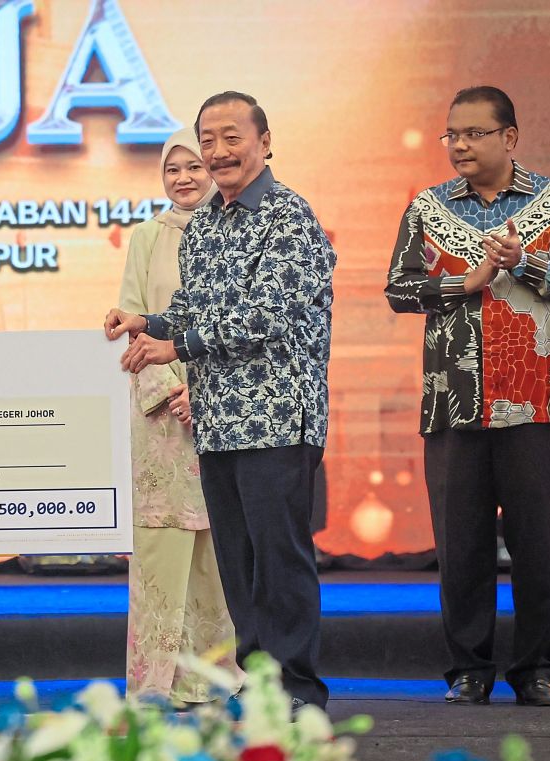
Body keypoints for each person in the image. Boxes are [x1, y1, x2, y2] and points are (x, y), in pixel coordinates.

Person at [105, 92, 335, 709]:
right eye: (208, 140)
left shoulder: (290, 218)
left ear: (264, 141)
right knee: (238, 567)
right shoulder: (206, 225)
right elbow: (192, 309)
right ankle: (258, 689)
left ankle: (298, 694)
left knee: (279, 564)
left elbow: (266, 318)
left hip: (277, 420)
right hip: (218, 422)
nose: (216, 152)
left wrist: (174, 340)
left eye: (230, 137)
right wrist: (147, 321)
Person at [385, 86, 550, 707]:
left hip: (539, 398)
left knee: (538, 540)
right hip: (453, 399)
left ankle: (536, 669)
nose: (459, 145)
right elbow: (399, 289)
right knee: (461, 543)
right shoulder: (427, 207)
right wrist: (465, 279)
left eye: (474, 134)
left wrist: (527, 266)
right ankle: (468, 669)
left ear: (510, 137)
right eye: (451, 134)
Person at [119, 128, 235, 702]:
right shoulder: (146, 237)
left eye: (195, 166)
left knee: (217, 552)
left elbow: (242, 329)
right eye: (173, 169)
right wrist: (172, 393)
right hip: (164, 422)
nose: (185, 178)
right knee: (161, 551)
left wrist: (209, 395)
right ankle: (156, 683)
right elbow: (133, 328)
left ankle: (211, 678)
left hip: (227, 413)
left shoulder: (237, 233)